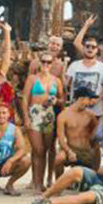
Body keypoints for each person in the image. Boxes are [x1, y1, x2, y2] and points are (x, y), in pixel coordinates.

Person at [20, 51, 60, 193]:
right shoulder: (32, 78)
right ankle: (37, 183)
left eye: (48, 62)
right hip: (34, 113)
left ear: (52, 64)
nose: (45, 64)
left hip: (49, 115)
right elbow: (24, 98)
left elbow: (63, 99)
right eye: (43, 61)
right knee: (38, 150)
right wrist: (25, 117)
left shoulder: (56, 80)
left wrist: (56, 100)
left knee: (46, 149)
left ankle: (42, 182)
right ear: (39, 63)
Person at [65, 33, 103, 115]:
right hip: (75, 111)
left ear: (97, 50)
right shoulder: (74, 65)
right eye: (87, 46)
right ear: (83, 48)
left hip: (95, 112)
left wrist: (97, 99)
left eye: (93, 47)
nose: (90, 49)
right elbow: (66, 85)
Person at [56, 92, 100, 170]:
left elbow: (97, 131)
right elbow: (61, 140)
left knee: (97, 146)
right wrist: (69, 152)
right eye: (89, 99)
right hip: (70, 148)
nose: (91, 102)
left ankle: (95, 174)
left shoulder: (90, 115)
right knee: (59, 158)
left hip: (85, 151)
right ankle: (58, 181)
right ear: (80, 99)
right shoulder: (63, 115)